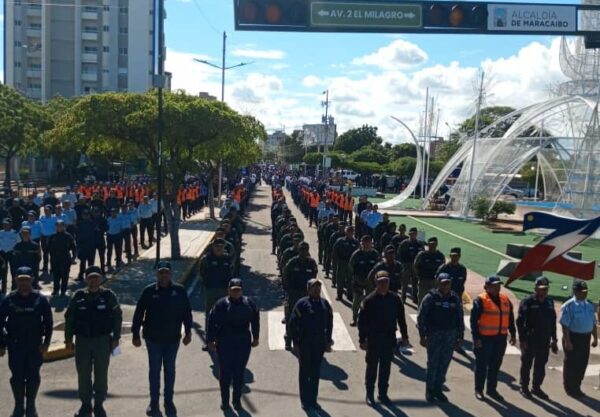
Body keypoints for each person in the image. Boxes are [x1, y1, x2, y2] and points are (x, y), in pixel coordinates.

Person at [131, 261, 193, 416]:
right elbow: (139, 313)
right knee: (154, 371)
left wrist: (188, 332)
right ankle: (154, 403)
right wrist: (135, 334)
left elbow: (187, 312)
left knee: (170, 370)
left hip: (173, 339)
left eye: (166, 272)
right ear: (156, 274)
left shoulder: (179, 291)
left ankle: (168, 401)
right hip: (153, 339)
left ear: (171, 274)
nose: (164, 275)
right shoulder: (149, 291)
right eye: (161, 272)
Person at [65, 266, 123, 417]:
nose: (93, 280)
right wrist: (68, 339)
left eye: (96, 277)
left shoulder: (108, 296)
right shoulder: (78, 296)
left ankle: (99, 404)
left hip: (102, 341)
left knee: (101, 374)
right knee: (83, 374)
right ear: (86, 279)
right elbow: (69, 318)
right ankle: (85, 404)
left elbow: (117, 317)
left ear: (101, 278)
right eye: (90, 277)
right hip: (83, 341)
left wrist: (116, 338)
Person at [0, 267, 53, 417]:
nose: (23, 283)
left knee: (33, 377)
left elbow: (48, 323)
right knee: (16, 377)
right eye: (20, 280)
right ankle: (18, 406)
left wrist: (46, 343)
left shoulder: (41, 300)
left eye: (26, 280)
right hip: (15, 345)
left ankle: (31, 407)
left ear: (32, 280)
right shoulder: (9, 300)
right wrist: (1, 345)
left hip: (34, 346)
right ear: (16, 280)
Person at [207, 278, 260, 411]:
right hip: (225, 342)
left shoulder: (249, 303)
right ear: (228, 290)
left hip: (243, 342)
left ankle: (236, 401)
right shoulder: (221, 304)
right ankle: (225, 402)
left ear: (242, 290)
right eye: (233, 290)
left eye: (238, 290)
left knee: (239, 373)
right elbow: (211, 322)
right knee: (225, 374)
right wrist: (210, 340)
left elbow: (255, 320)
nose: (236, 292)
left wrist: (256, 337)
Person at [358, 271, 409, 406]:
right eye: (381, 281)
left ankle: (383, 394)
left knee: (386, 368)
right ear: (376, 282)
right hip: (374, 339)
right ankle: (370, 393)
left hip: (389, 339)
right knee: (372, 368)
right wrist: (362, 339)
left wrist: (405, 336)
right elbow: (361, 322)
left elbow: (401, 319)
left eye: (386, 281)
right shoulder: (369, 300)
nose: (384, 284)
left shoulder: (395, 299)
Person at [417, 273, 464, 402]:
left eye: (448, 283)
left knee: (444, 363)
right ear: (438, 283)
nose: (445, 285)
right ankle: (430, 390)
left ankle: (438, 389)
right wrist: (422, 336)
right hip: (434, 335)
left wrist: (460, 337)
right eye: (443, 283)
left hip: (450, 336)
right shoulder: (430, 298)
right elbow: (421, 317)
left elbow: (460, 318)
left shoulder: (454, 298)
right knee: (433, 363)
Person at [288, 278, 333, 411]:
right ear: (308, 289)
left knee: (315, 372)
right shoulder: (302, 304)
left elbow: (330, 323)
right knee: (305, 372)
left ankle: (313, 400)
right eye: (314, 287)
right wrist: (295, 342)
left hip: (319, 343)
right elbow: (292, 323)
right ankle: (305, 400)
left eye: (318, 287)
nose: (317, 289)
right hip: (305, 342)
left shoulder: (325, 304)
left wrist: (328, 340)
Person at [470, 275, 516, 401]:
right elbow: (474, 321)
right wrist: (476, 338)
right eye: (494, 286)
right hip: (485, 339)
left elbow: (510, 318)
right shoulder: (480, 300)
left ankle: (491, 389)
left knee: (495, 365)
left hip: (500, 338)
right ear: (487, 287)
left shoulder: (505, 299)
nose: (497, 288)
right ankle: (479, 389)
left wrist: (513, 333)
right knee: (481, 365)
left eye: (498, 285)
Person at [516, 276, 558, 400]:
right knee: (527, 363)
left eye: (546, 289)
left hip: (544, 339)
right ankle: (524, 386)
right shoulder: (528, 301)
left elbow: (553, 322)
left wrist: (554, 339)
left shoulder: (549, 302)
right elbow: (520, 321)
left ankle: (536, 387)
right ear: (535, 288)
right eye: (541, 289)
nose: (544, 291)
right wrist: (522, 340)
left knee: (541, 364)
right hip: (530, 338)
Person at [559, 279, 598, 398]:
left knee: (582, 364)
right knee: (571, 363)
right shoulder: (569, 306)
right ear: (575, 292)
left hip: (585, 339)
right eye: (582, 291)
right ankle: (569, 387)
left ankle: (577, 386)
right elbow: (565, 325)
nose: (585, 293)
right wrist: (568, 341)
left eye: (586, 291)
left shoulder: (590, 305)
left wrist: (595, 338)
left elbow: (593, 323)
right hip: (573, 337)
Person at [282, 242, 318, 350]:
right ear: (298, 250)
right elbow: (285, 276)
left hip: (306, 295)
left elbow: (314, 278)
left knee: (307, 318)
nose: (303, 251)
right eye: (301, 249)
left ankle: (304, 340)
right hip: (293, 294)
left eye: (305, 249)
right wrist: (288, 291)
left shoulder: (311, 263)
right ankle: (288, 340)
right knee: (290, 318)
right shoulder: (292, 262)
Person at [198, 238, 233, 350]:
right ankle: (208, 341)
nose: (219, 249)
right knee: (210, 315)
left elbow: (232, 270)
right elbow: (201, 272)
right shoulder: (206, 259)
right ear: (213, 247)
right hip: (210, 290)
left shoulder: (227, 258)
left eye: (221, 247)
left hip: (223, 290)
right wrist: (206, 284)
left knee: (224, 315)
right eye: (217, 247)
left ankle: (222, 339)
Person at [349, 235, 380, 326]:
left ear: (371, 243)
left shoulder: (375, 254)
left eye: (368, 243)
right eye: (364, 243)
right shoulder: (357, 254)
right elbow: (351, 266)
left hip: (371, 282)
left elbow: (379, 266)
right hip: (359, 281)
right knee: (357, 301)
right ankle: (355, 318)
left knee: (371, 301)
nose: (366, 245)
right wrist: (355, 277)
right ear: (361, 243)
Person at [48, 220, 77, 296]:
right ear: (56, 227)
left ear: (64, 226)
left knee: (65, 276)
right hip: (55, 260)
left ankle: (63, 290)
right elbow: (48, 248)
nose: (59, 227)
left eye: (61, 226)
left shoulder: (68, 236)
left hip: (65, 260)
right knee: (56, 276)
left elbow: (74, 248)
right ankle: (55, 290)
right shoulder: (52, 236)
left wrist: (73, 258)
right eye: (58, 226)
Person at [331, 225, 359, 300]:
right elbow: (335, 251)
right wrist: (335, 260)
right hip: (342, 262)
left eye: (351, 232)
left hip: (351, 264)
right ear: (346, 232)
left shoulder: (355, 242)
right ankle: (339, 295)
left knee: (350, 280)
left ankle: (350, 295)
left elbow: (358, 254)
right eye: (348, 231)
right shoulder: (340, 241)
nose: (350, 233)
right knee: (340, 279)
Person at [397, 227, 424, 303]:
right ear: (409, 234)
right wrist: (402, 264)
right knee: (405, 282)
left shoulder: (419, 244)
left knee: (415, 283)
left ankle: (415, 297)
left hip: (415, 266)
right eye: (411, 234)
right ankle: (403, 297)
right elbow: (399, 254)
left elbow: (423, 254)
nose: (413, 235)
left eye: (414, 234)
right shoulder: (405, 243)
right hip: (406, 265)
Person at [0, 218, 19, 293]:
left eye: (7, 224)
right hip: (2, 254)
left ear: (10, 225)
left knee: (13, 271)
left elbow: (19, 243)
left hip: (12, 254)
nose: (5, 226)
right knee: (3, 272)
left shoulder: (15, 233)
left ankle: (14, 288)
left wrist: (16, 252)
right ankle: (3, 289)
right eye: (4, 224)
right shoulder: (0, 233)